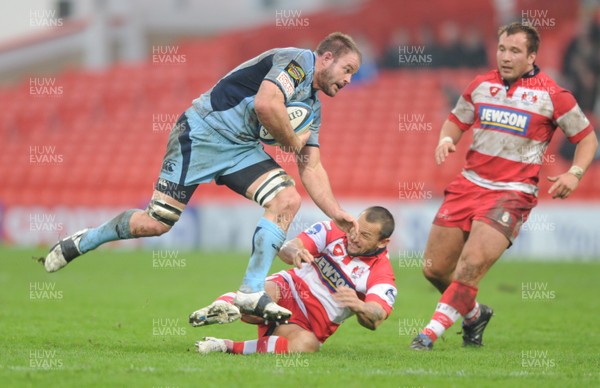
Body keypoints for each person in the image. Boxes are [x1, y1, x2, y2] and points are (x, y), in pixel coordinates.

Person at [40, 32, 362, 323]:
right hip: (201, 132)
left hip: (240, 148)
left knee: (287, 198)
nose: (348, 79)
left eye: (353, 74)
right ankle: (84, 241)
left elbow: (311, 166)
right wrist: (292, 140)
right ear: (327, 57)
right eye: (347, 69)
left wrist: (336, 213)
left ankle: (250, 292)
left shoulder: (312, 108)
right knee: (156, 223)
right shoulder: (299, 62)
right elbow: (267, 104)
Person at [410, 22, 598, 351]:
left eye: (514, 51)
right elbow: (457, 120)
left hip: (512, 193)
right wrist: (445, 139)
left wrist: (575, 173)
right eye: (501, 49)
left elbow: (587, 138)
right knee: (435, 268)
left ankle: (427, 335)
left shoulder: (554, 95)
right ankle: (474, 316)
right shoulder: (480, 85)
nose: (506, 57)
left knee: (468, 267)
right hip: (468, 185)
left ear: (532, 57)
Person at [188, 206, 397, 354]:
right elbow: (288, 247)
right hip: (287, 289)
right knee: (261, 298)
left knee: (307, 345)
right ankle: (220, 306)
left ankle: (224, 346)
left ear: (383, 241)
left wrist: (359, 305)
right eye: (356, 229)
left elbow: (376, 317)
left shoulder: (382, 273)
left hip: (304, 324)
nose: (354, 237)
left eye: (365, 236)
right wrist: (295, 251)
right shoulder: (333, 230)